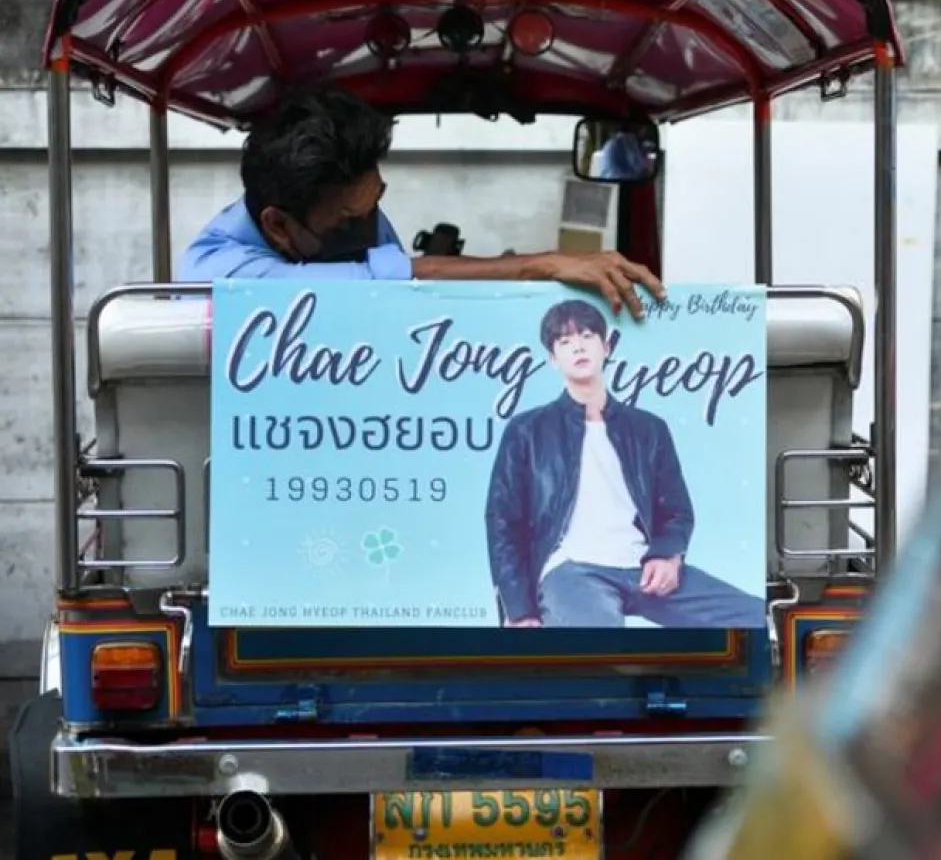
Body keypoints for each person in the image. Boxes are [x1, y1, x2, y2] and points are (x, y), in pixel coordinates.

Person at [179, 85, 665, 318]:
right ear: (279, 226)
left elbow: (400, 295)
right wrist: (538, 266)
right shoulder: (216, 275)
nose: (370, 229)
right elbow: (392, 279)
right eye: (351, 219)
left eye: (376, 204)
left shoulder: (358, 220)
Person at [484, 298, 765, 629]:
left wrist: (666, 554)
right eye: (565, 341)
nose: (577, 347)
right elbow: (503, 522)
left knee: (755, 618)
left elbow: (677, 510)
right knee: (602, 649)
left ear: (606, 347)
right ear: (552, 359)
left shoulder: (648, 428)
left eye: (587, 336)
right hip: (572, 570)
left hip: (642, 565)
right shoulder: (527, 430)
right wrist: (520, 610)